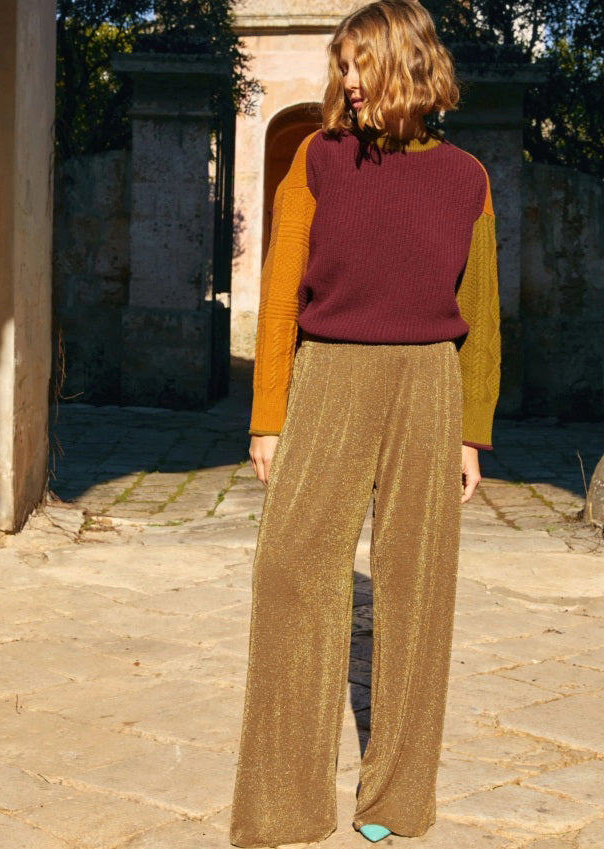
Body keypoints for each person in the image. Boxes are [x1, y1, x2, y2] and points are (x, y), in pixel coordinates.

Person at [229, 1, 501, 846]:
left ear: (409, 64)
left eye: (362, 63)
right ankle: (285, 803)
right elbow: (281, 294)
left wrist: (471, 431)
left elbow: (482, 312)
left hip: (429, 382)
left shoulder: (467, 177)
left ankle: (395, 800)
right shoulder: (316, 159)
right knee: (290, 570)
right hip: (329, 374)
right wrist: (268, 417)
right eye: (341, 64)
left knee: (418, 590)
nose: (347, 79)